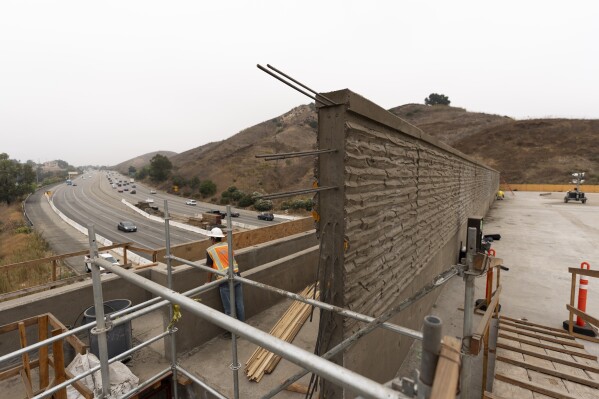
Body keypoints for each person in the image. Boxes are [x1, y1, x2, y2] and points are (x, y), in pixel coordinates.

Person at [205, 227, 245, 331]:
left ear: (213, 238)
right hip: (237, 276)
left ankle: (233, 332)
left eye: (211, 238)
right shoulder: (228, 245)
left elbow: (210, 269)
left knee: (229, 309)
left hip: (224, 280)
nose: (210, 240)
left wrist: (208, 282)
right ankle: (244, 330)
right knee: (239, 304)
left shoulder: (210, 250)